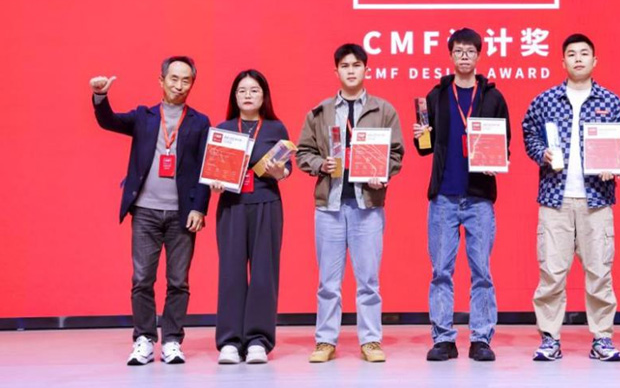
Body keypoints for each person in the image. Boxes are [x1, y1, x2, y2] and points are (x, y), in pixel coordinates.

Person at [89, 56, 210, 365]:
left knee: (178, 281)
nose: (179, 85)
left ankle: (172, 340)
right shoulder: (144, 117)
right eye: (173, 78)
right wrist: (100, 96)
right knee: (142, 279)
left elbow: (205, 168)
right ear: (161, 81)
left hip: (182, 214)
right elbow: (109, 121)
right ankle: (143, 339)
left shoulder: (199, 122)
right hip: (145, 211)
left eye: (186, 80)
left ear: (192, 84)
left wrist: (199, 208)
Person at [521, 33, 620, 362]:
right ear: (563, 61)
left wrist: (614, 164)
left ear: (595, 61)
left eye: (584, 53)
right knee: (552, 272)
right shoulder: (545, 100)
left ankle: (602, 338)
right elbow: (528, 132)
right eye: (572, 54)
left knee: (599, 272)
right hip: (555, 198)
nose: (578, 58)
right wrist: (541, 153)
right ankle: (549, 338)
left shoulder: (611, 101)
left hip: (596, 199)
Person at [296, 44, 405, 363]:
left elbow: (396, 153)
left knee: (368, 280)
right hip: (329, 206)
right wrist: (321, 165)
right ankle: (325, 341)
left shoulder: (384, 110)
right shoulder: (320, 111)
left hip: (367, 206)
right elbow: (303, 152)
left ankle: (370, 340)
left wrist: (382, 174)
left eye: (356, 65)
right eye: (345, 66)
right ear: (336, 71)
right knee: (328, 282)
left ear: (366, 69)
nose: (351, 70)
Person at [413, 28, 511, 363]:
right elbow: (425, 148)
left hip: (479, 196)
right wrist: (420, 136)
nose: (464, 56)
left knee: (482, 271)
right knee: (441, 270)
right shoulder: (437, 96)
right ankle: (443, 339)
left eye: (470, 50)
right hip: (443, 195)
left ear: (479, 55)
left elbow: (505, 142)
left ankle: (481, 338)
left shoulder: (493, 97)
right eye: (459, 51)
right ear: (451, 55)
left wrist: (497, 159)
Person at [210, 70, 291, 364]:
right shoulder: (223, 129)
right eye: (242, 90)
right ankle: (230, 342)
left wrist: (279, 171)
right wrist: (214, 182)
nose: (248, 95)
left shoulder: (275, 128)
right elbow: (212, 170)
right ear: (234, 96)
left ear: (263, 95)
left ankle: (258, 340)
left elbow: (286, 169)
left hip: (266, 205)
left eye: (254, 90)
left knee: (263, 274)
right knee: (230, 273)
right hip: (232, 206)